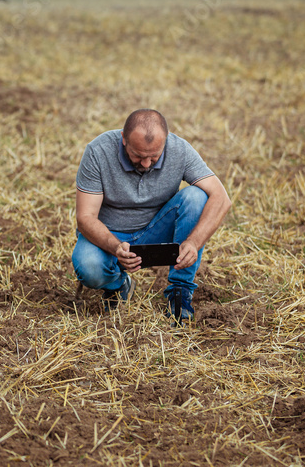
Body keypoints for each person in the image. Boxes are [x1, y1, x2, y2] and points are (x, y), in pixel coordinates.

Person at [71, 109, 231, 324]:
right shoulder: (98, 152)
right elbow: (85, 217)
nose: (146, 164)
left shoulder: (179, 149)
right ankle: (118, 284)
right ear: (124, 139)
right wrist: (116, 247)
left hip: (156, 231)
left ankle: (180, 292)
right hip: (110, 236)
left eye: (154, 156)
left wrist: (193, 242)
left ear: (165, 142)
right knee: (89, 266)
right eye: (138, 155)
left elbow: (221, 198)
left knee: (196, 197)